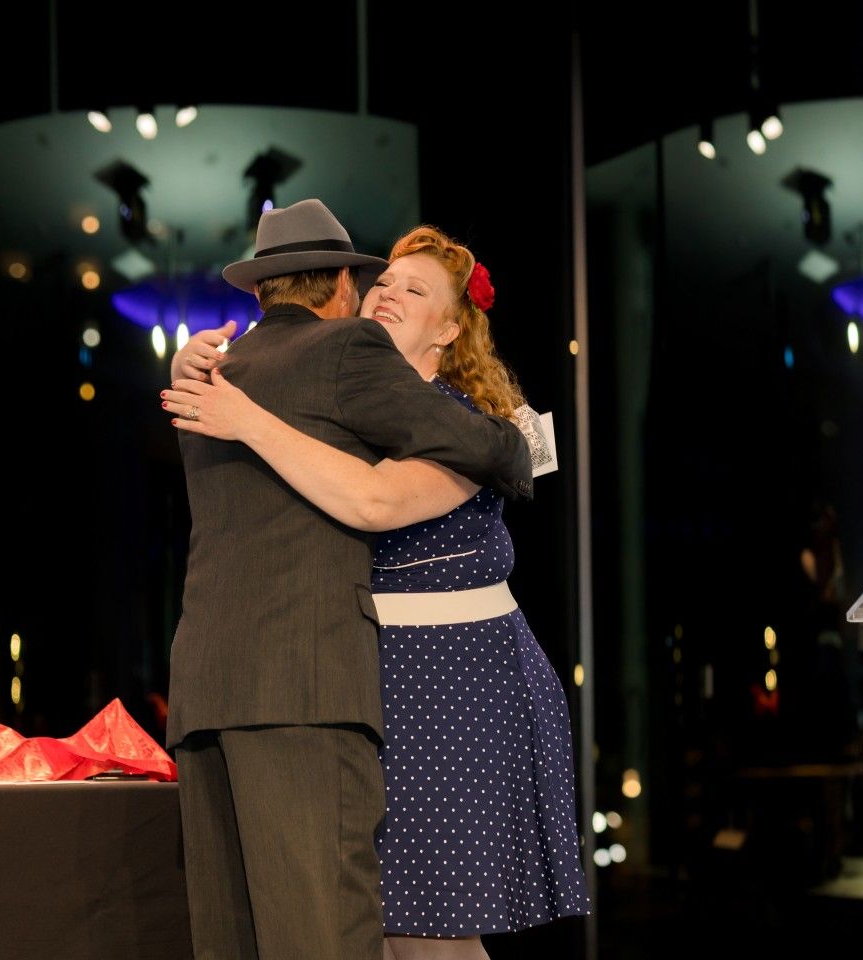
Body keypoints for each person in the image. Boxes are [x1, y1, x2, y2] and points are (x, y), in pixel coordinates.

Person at [165, 226, 589, 959]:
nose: (388, 292)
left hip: (454, 687)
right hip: (358, 680)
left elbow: (374, 503)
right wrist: (194, 366)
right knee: (367, 925)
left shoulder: (460, 421)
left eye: (414, 289)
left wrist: (244, 416)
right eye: (384, 282)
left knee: (430, 936)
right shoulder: (334, 388)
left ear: (451, 328)